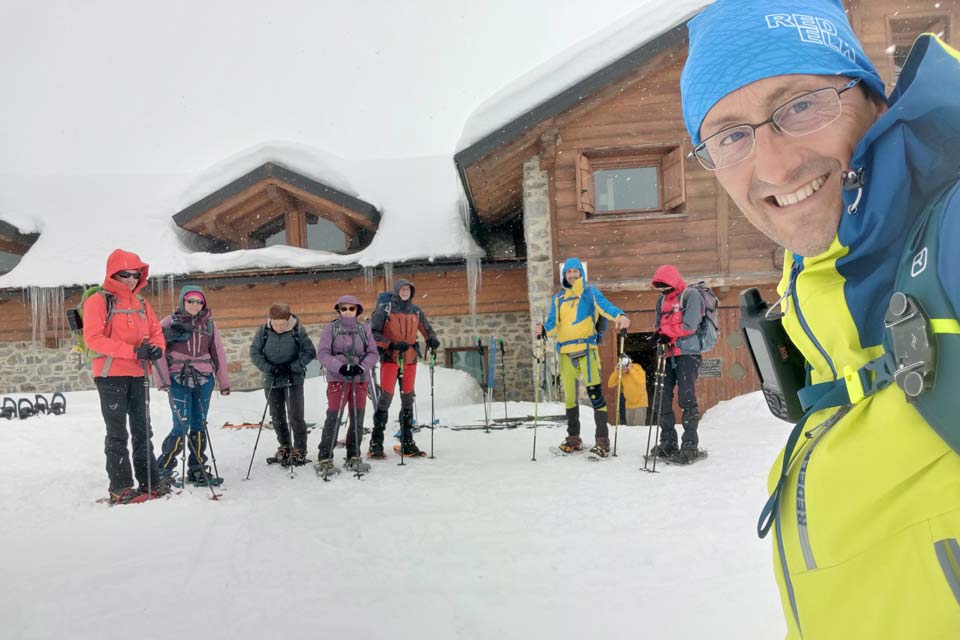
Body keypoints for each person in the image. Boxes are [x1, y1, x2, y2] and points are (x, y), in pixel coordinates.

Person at [680, 1, 960, 637]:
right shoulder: (822, 300)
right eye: (730, 136)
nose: (775, 168)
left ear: (874, 102)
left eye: (801, 105)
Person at [82, 249, 170, 504]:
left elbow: (156, 332)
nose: (132, 279)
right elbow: (94, 339)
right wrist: (133, 351)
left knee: (143, 430)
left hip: (138, 373)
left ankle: (150, 481)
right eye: (126, 274)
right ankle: (120, 486)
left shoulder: (141, 303)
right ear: (113, 274)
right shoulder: (99, 301)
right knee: (117, 432)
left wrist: (156, 348)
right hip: (110, 375)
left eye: (136, 274)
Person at [535, 258, 630, 457]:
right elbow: (553, 323)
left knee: (595, 395)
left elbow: (606, 307)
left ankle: (602, 441)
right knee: (569, 398)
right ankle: (573, 438)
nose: (571, 275)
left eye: (575, 271)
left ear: (581, 273)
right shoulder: (558, 299)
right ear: (564, 275)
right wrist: (544, 329)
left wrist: (619, 315)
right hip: (565, 354)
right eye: (568, 272)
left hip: (587, 351)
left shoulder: (590, 293)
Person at [155, 286, 230, 486]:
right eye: (191, 301)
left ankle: (197, 469)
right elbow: (157, 351)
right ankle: (163, 469)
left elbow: (218, 354)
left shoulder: (209, 326)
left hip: (204, 379)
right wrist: (162, 380)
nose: (195, 305)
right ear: (183, 301)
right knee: (181, 424)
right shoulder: (169, 322)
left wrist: (224, 382)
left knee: (199, 423)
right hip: (177, 379)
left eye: (199, 301)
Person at [369, 279, 440, 457]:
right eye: (402, 288)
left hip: (410, 359)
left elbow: (426, 328)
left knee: (408, 398)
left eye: (408, 289)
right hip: (390, 358)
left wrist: (432, 339)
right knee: (385, 398)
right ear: (396, 291)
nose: (405, 291)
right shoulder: (385, 309)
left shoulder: (416, 311)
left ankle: (407, 441)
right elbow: (374, 332)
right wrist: (390, 344)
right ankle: (376, 442)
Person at [648, 265, 706, 463]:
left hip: (687, 354)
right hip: (666, 353)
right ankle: (668, 441)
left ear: (673, 281)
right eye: (660, 287)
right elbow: (658, 324)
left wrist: (666, 333)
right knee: (662, 397)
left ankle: (690, 444)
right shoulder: (661, 300)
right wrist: (658, 335)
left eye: (665, 285)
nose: (663, 290)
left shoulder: (691, 295)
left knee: (686, 397)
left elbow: (690, 325)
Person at [315, 295, 379, 472]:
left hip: (359, 379)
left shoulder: (363, 329)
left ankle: (353, 454)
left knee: (357, 417)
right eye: (344, 308)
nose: (348, 312)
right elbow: (322, 353)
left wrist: (362, 366)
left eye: (351, 308)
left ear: (357, 310)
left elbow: (373, 353)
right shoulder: (331, 328)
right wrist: (340, 367)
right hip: (338, 379)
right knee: (334, 417)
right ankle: (325, 456)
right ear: (339, 310)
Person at [249, 303, 316, 466]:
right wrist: (269, 368)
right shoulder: (264, 330)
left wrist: (291, 367)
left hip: (293, 378)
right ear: (270, 320)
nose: (279, 327)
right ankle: (285, 445)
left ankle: (299, 448)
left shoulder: (297, 330)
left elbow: (310, 352)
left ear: (288, 320)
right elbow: (254, 352)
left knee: (296, 415)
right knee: (277, 415)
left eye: (282, 324)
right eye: (276, 323)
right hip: (272, 377)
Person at [606, 356, 647, 426]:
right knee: (630, 428)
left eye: (624, 366)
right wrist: (616, 372)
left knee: (638, 429)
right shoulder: (621, 373)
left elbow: (641, 381)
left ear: (629, 364)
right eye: (622, 366)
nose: (623, 369)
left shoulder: (637, 368)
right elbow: (610, 384)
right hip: (628, 405)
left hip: (640, 404)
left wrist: (630, 370)